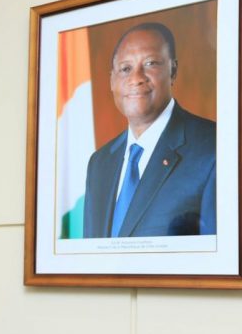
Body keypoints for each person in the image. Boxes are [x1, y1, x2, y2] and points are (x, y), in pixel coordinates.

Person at [83, 22, 216, 238]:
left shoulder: (214, 148)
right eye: (125, 69)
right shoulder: (99, 163)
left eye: (150, 63)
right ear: (112, 80)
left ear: (173, 71)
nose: (136, 78)